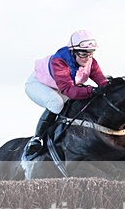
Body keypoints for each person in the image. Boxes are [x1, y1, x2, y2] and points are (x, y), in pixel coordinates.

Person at [23, 30, 108, 158]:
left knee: (76, 100)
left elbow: (103, 83)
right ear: (73, 51)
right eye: (83, 54)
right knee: (56, 103)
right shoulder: (59, 61)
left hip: (59, 87)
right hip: (38, 84)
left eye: (90, 53)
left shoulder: (91, 62)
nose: (88, 58)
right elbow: (69, 90)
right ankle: (37, 139)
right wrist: (92, 90)